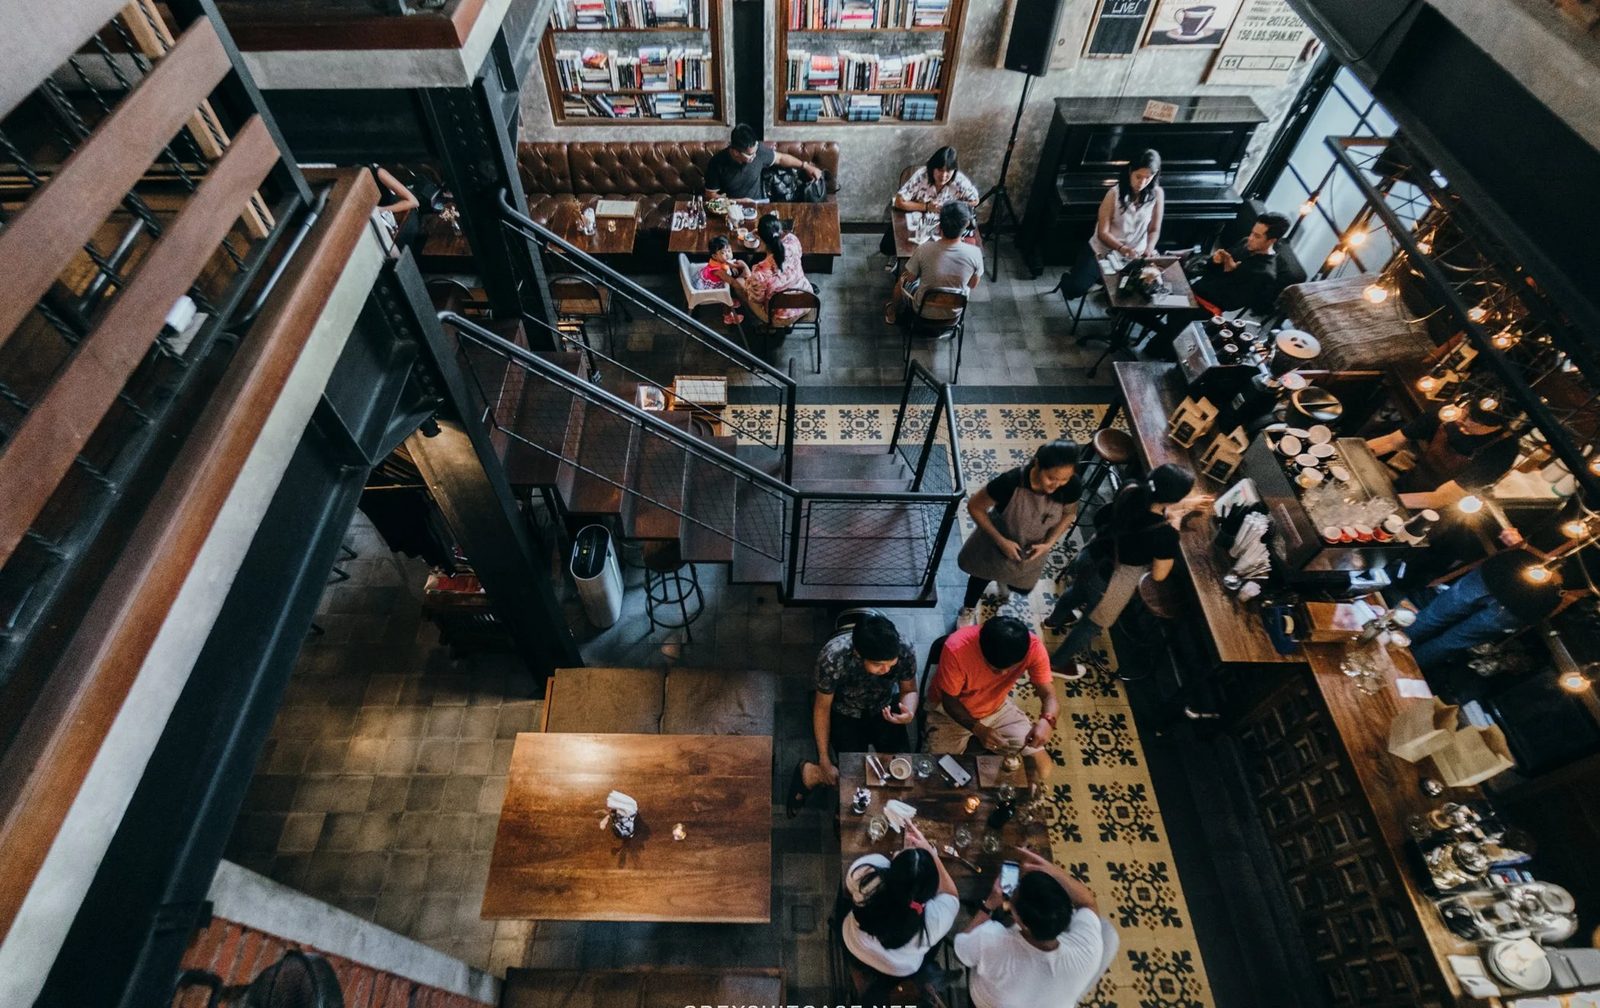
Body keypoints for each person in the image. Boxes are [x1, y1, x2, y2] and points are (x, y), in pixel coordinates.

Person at [1046, 463, 1198, 679]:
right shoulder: (1165, 535)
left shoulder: (1131, 488)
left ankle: (1053, 620)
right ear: (1173, 500)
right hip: (1109, 580)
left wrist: (1171, 508)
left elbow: (1145, 511)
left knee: (1077, 590)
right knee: (1091, 625)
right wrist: (1175, 523)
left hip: (1091, 555)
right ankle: (1057, 663)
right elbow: (1158, 575)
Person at [788, 613, 918, 816]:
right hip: (845, 711)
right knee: (851, 775)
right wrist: (823, 759)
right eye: (878, 665)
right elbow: (822, 707)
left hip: (883, 707)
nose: (886, 670)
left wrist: (908, 711)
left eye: (890, 665)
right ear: (859, 654)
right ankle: (811, 773)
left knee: (900, 769)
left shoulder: (904, 649)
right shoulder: (833, 658)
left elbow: (909, 689)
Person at [955, 846, 1111, 1008]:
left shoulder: (992, 940)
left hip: (983, 1002)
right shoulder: (1089, 951)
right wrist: (1053, 871)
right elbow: (1087, 903)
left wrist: (989, 905)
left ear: (1018, 919)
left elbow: (961, 949)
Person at [955, 441, 1083, 628]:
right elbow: (975, 506)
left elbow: (1069, 513)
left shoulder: (1071, 486)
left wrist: (1049, 544)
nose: (1056, 485)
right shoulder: (1009, 482)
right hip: (994, 543)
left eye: (1063, 479)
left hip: (1030, 550)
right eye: (1051, 477)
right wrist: (1001, 541)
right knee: (979, 578)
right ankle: (968, 609)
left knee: (1020, 585)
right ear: (1037, 464)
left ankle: (1004, 580)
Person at [925, 616, 1059, 781]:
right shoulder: (957, 648)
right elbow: (949, 701)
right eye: (995, 669)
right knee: (937, 774)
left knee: (1041, 768)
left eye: (1011, 669)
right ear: (981, 650)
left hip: (997, 708)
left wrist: (1047, 720)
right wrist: (978, 728)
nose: (1003, 674)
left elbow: (1049, 695)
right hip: (950, 714)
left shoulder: (1034, 648)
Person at [1408, 548, 1569, 673]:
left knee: (1433, 618)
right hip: (1529, 599)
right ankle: (1405, 672)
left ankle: (1389, 650)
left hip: (1509, 573)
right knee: (1450, 642)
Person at [841, 822, 960, 985]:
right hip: (897, 970)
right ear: (930, 891)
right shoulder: (936, 919)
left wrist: (910, 857)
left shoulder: (868, 872)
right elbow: (951, 895)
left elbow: (848, 888)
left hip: (854, 944)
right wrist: (932, 855)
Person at [1365, 398, 1524, 514]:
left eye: (1474, 421)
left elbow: (1438, 498)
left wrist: (1382, 504)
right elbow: (1392, 441)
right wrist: (1344, 452)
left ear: (1497, 427)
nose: (1462, 421)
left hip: (1433, 512)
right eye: (1466, 412)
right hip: (1408, 482)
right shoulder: (1449, 413)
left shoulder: (1503, 451)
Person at [880, 146, 981, 267]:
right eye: (940, 170)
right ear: (932, 168)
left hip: (943, 223)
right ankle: (898, 257)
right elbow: (899, 202)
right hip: (916, 218)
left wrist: (950, 206)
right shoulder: (921, 176)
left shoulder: (959, 181)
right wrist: (926, 207)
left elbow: (975, 200)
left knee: (943, 253)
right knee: (887, 246)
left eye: (948, 171)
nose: (944, 176)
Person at [885, 202, 983, 326]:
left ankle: (892, 311)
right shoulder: (975, 253)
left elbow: (910, 277)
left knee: (902, 278)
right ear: (967, 225)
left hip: (922, 310)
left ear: (939, 225)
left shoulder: (924, 249)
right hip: (954, 313)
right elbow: (972, 284)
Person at [704, 123, 823, 203]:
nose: (755, 156)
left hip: (760, 204)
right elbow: (710, 196)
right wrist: (736, 202)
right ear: (735, 152)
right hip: (732, 208)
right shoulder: (717, 163)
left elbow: (780, 158)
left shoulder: (759, 151)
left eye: (756, 152)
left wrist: (806, 166)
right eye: (750, 155)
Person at [730, 213, 811, 327]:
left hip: (781, 317)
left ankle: (764, 325)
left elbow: (756, 298)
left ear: (761, 239)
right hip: (806, 301)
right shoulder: (792, 241)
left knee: (739, 282)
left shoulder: (760, 272)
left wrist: (747, 270)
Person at [700, 235, 749, 326]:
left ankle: (729, 304)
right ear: (714, 255)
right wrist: (745, 287)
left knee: (729, 285)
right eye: (723, 252)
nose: (728, 254)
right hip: (712, 289)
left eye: (729, 250)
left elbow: (724, 261)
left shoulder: (718, 259)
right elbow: (732, 282)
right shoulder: (717, 271)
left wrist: (731, 266)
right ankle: (727, 316)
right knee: (727, 296)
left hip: (709, 278)